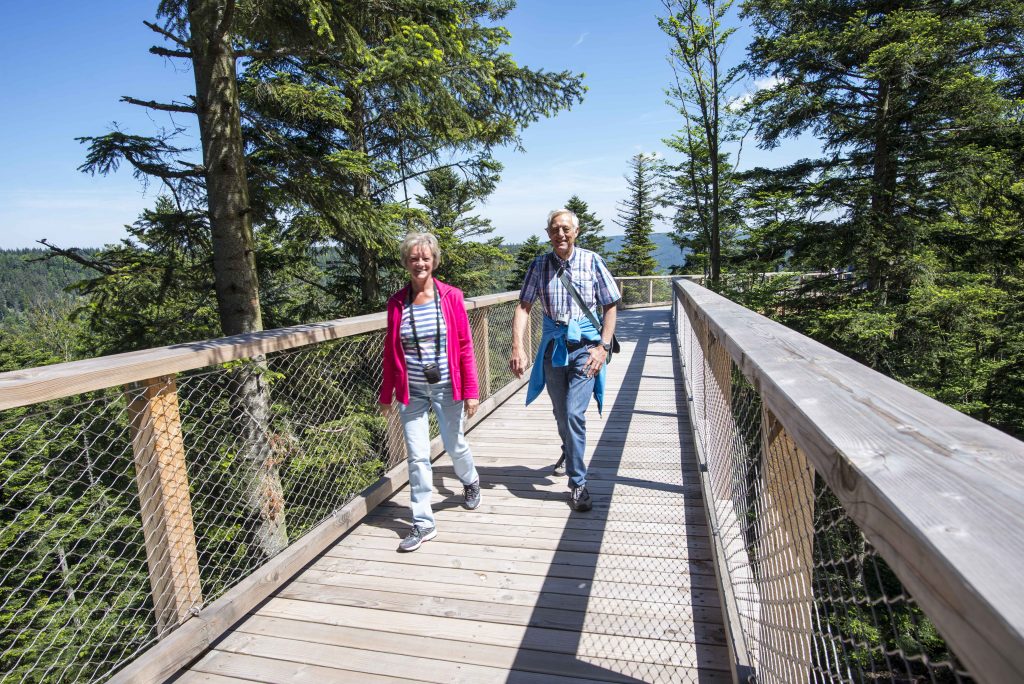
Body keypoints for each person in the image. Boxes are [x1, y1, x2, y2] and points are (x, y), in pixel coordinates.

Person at [508, 209, 621, 512]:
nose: (560, 234)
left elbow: (610, 304)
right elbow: (523, 306)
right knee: (561, 413)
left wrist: (603, 347)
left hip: (586, 348)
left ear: (576, 232)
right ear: (548, 233)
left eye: (566, 229)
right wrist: (518, 347)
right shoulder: (539, 265)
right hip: (554, 348)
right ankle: (568, 450)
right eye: (555, 229)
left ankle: (578, 483)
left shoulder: (592, 261)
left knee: (573, 412)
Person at [379, 232, 482, 551]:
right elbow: (390, 351)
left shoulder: (451, 296)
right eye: (414, 258)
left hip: (447, 386)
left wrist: (471, 390)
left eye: (425, 257)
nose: (420, 263)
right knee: (418, 455)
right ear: (406, 263)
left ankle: (470, 480)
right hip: (411, 390)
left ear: (434, 261)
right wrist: (386, 394)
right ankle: (423, 522)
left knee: (454, 445)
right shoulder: (397, 303)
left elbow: (464, 346)